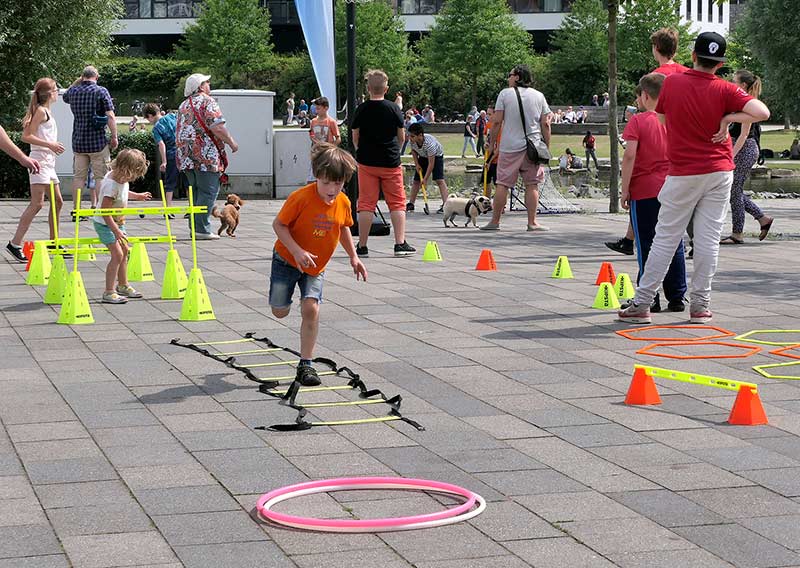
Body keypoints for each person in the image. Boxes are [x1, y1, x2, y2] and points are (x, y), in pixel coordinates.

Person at [618, 32, 770, 325]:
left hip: (684, 170)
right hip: (719, 170)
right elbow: (761, 111)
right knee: (708, 239)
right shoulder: (726, 89)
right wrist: (728, 118)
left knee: (665, 237)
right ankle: (700, 306)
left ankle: (642, 303)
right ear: (720, 63)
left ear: (693, 56)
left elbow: (662, 118)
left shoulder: (673, 83)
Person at [270, 143, 367, 386]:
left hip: (316, 267)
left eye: (338, 183)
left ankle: (306, 364)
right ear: (316, 176)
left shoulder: (343, 202)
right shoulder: (300, 197)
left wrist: (354, 257)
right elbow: (278, 225)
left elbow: (343, 227)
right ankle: (285, 300)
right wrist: (297, 251)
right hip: (286, 260)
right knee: (279, 312)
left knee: (311, 309)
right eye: (326, 183)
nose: (332, 189)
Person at [606, 27, 689, 256]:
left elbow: (630, 154)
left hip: (655, 137)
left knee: (647, 205)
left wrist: (624, 189)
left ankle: (637, 246)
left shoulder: (655, 77)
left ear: (656, 48)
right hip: (680, 138)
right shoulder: (686, 73)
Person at [620, 74, 687, 315]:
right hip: (673, 187)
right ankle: (677, 295)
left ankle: (649, 296)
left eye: (638, 96)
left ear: (645, 95)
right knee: (674, 241)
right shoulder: (675, 120)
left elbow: (630, 156)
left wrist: (624, 189)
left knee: (646, 243)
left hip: (645, 189)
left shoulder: (638, 121)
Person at [350, 69, 415, 257]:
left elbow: (355, 136)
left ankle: (362, 246)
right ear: (386, 89)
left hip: (367, 162)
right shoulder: (394, 108)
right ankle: (400, 243)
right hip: (390, 161)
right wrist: (396, 150)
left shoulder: (361, 109)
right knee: (397, 202)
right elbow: (401, 136)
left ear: (368, 89)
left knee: (366, 203)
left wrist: (360, 150)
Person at [481, 64, 552, 232]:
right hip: (532, 147)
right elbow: (546, 124)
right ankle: (532, 222)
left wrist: (492, 144)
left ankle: (495, 221)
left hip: (509, 147)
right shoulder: (539, 96)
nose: (508, 78)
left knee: (502, 184)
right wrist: (546, 147)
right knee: (532, 184)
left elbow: (496, 121)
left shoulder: (505, 94)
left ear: (517, 77)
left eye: (510, 75)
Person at [6, 78, 65, 263]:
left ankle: (54, 242)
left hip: (48, 162)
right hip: (40, 162)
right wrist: (50, 144)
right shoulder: (41, 111)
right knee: (37, 204)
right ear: (50, 94)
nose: (58, 92)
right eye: (56, 89)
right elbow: (26, 136)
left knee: (57, 201)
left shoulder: (46, 111)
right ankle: (15, 243)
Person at [176, 73, 239, 239]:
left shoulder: (184, 104)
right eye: (206, 82)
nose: (209, 84)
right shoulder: (207, 101)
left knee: (196, 192)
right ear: (200, 86)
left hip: (186, 157)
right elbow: (217, 127)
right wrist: (232, 143)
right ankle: (202, 229)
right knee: (208, 191)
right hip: (205, 156)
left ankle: (194, 227)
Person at [721, 70, 774, 244]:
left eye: (734, 81)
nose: (731, 83)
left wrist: (731, 156)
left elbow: (744, 135)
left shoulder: (749, 104)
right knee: (734, 191)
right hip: (742, 148)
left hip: (745, 149)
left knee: (734, 191)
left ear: (743, 85)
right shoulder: (741, 103)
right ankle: (762, 219)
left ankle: (738, 233)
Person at [92, 149, 152, 304]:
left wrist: (137, 196)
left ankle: (123, 285)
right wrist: (116, 231)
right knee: (117, 255)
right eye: (133, 174)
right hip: (105, 224)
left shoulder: (121, 179)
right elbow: (105, 212)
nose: (132, 178)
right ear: (125, 169)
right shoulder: (111, 186)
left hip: (118, 222)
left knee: (125, 251)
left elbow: (123, 192)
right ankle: (109, 291)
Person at [63, 65, 118, 215]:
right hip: (98, 142)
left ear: (82, 77)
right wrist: (114, 136)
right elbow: (110, 116)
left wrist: (77, 81)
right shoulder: (101, 91)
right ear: (97, 77)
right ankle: (100, 209)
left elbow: (65, 95)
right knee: (101, 177)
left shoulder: (74, 91)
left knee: (78, 178)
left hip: (79, 142)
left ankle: (77, 210)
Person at [143, 103, 178, 213]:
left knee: (170, 182)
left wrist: (164, 161)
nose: (149, 121)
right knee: (188, 182)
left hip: (171, 154)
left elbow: (161, 144)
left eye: (147, 119)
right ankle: (191, 208)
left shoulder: (157, 128)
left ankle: (168, 209)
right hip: (183, 152)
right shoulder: (172, 116)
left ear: (150, 116)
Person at [407, 123, 448, 214]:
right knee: (416, 181)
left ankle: (446, 205)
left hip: (436, 156)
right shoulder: (412, 141)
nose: (410, 138)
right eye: (409, 135)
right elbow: (414, 151)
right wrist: (417, 164)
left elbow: (431, 164)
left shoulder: (430, 144)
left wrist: (425, 179)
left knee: (439, 180)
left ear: (420, 135)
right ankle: (411, 204)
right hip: (422, 156)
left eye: (412, 136)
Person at [306, 96, 340, 182]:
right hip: (316, 153)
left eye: (319, 109)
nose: (316, 111)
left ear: (326, 108)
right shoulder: (313, 121)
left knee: (326, 177)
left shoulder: (331, 122)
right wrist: (315, 142)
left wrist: (330, 148)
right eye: (316, 108)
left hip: (327, 153)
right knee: (312, 178)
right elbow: (311, 134)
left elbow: (338, 138)